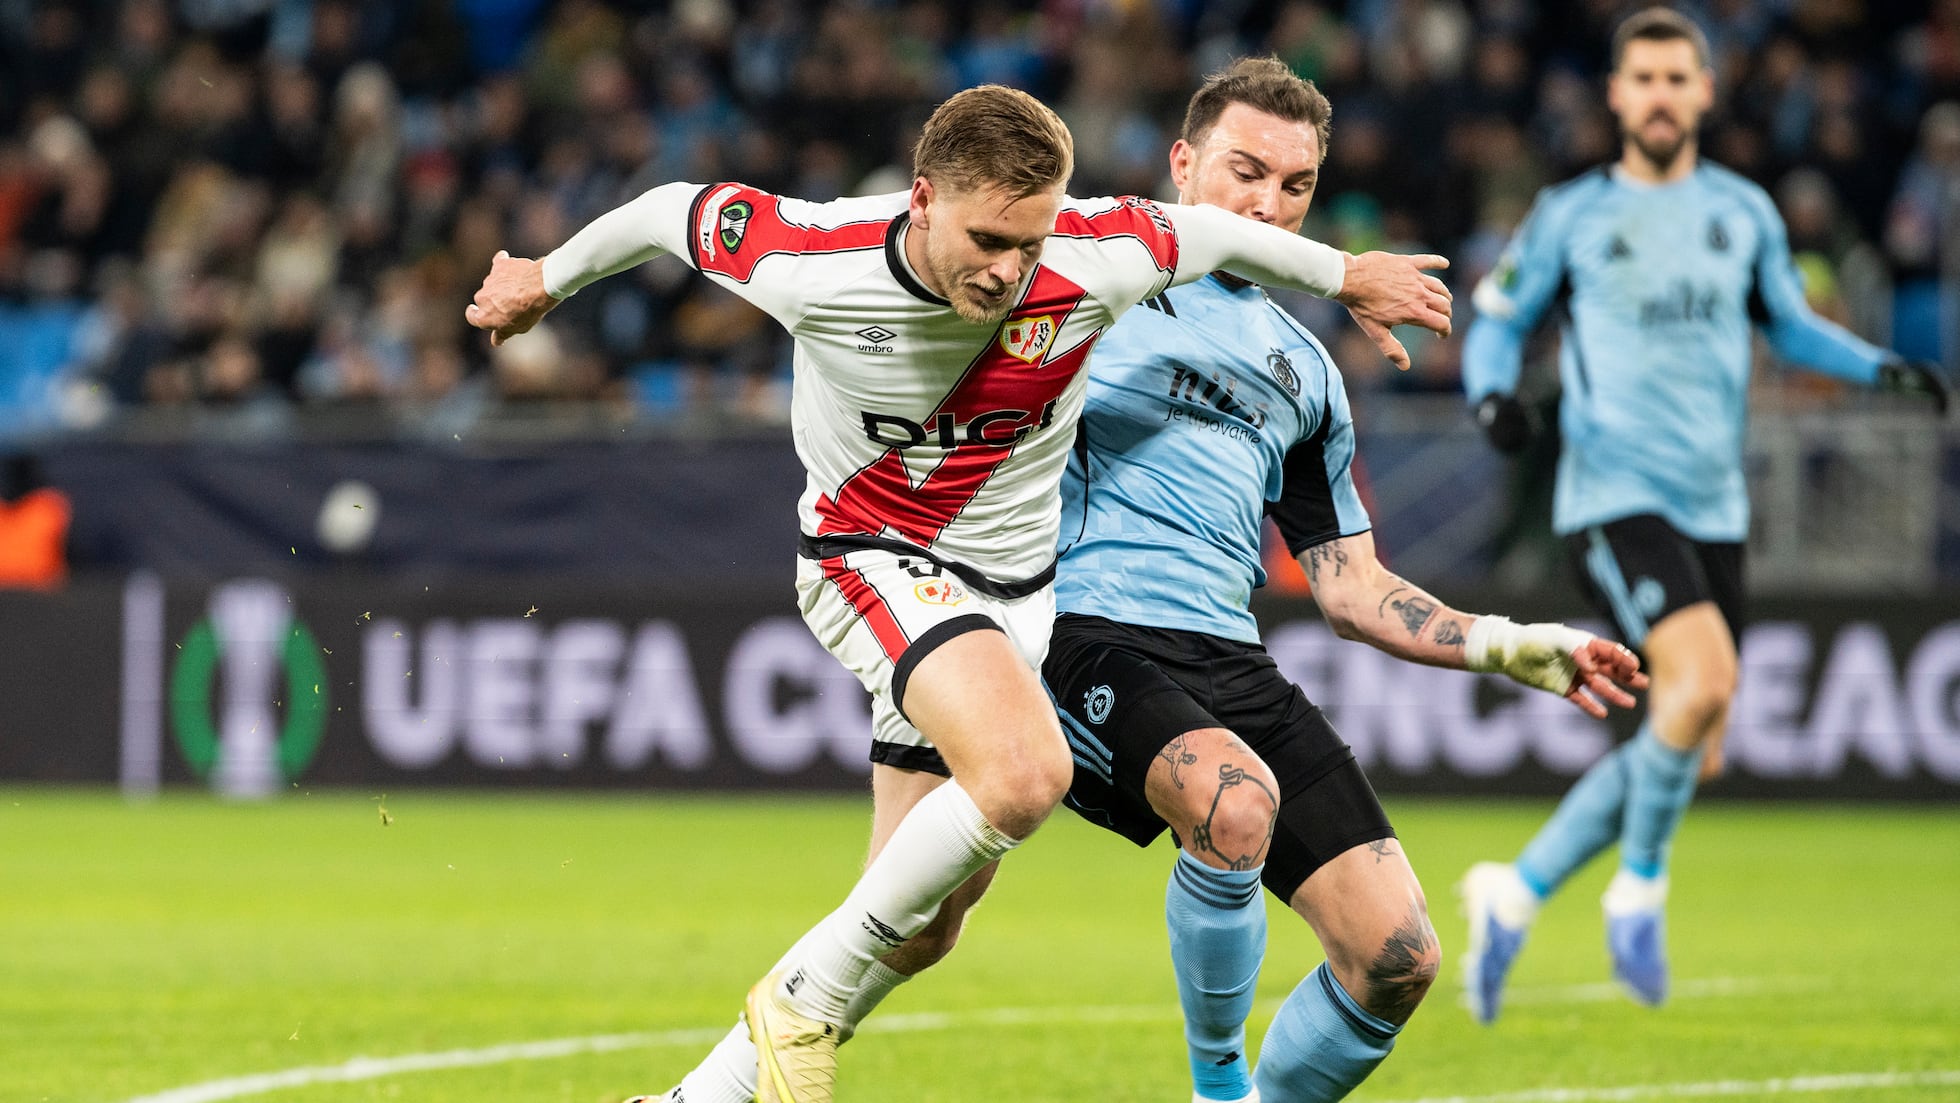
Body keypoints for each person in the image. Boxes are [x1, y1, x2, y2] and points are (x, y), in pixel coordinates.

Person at [610, 63, 1636, 1103]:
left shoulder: (1308, 373)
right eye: (1244, 172)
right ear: (1182, 163)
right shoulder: (1076, 278)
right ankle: (1216, 1088)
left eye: (1294, 186)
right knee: (1231, 802)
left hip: (1227, 658)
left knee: (1396, 955)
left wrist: (1512, 644)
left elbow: (1352, 588)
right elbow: (918, 325)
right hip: (1072, 631)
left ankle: (706, 1093)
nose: (1266, 205)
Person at [1457, 7, 1951, 1026]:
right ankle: (1637, 892)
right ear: (1614, 94)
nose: (1659, 95)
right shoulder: (1569, 214)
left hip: (1714, 504)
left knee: (1694, 733)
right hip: (1611, 495)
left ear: (1704, 92)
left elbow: (1790, 327)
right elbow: (1498, 320)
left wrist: (1881, 369)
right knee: (1708, 678)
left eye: (1676, 78)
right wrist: (1492, 396)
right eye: (1642, 77)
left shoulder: (1744, 211)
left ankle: (1515, 889)